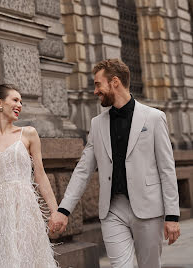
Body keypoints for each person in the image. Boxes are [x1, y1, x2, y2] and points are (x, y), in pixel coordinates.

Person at [49, 59, 180, 268]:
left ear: (115, 82)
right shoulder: (97, 123)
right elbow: (83, 170)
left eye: (98, 84)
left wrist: (172, 215)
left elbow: (167, 169)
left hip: (148, 210)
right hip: (112, 211)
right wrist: (64, 210)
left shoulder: (154, 118)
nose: (95, 91)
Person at [0, 84, 59, 268]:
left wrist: (55, 211)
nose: (20, 104)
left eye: (21, 101)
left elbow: (41, 176)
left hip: (26, 209)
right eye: (15, 100)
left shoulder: (28, 133)